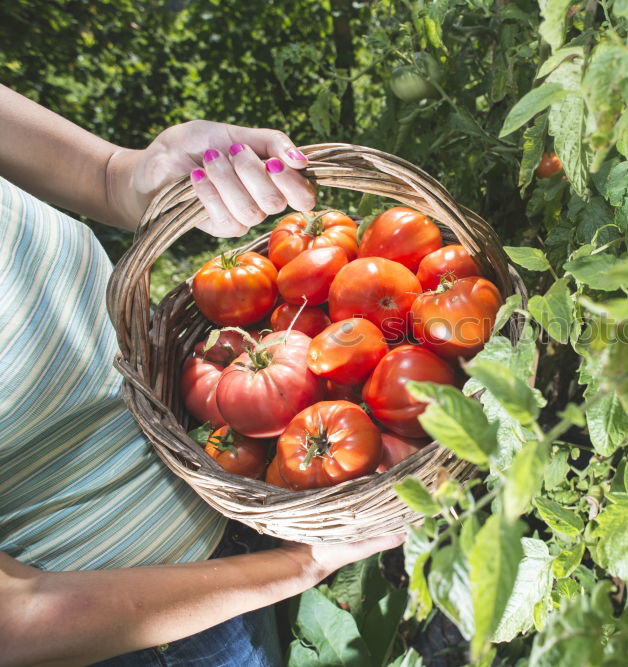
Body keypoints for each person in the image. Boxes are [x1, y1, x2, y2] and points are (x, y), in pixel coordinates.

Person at [0, 83, 405, 666]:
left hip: (250, 486)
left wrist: (153, 172)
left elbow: (109, 176)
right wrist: (304, 562)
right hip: (151, 630)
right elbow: (17, 624)